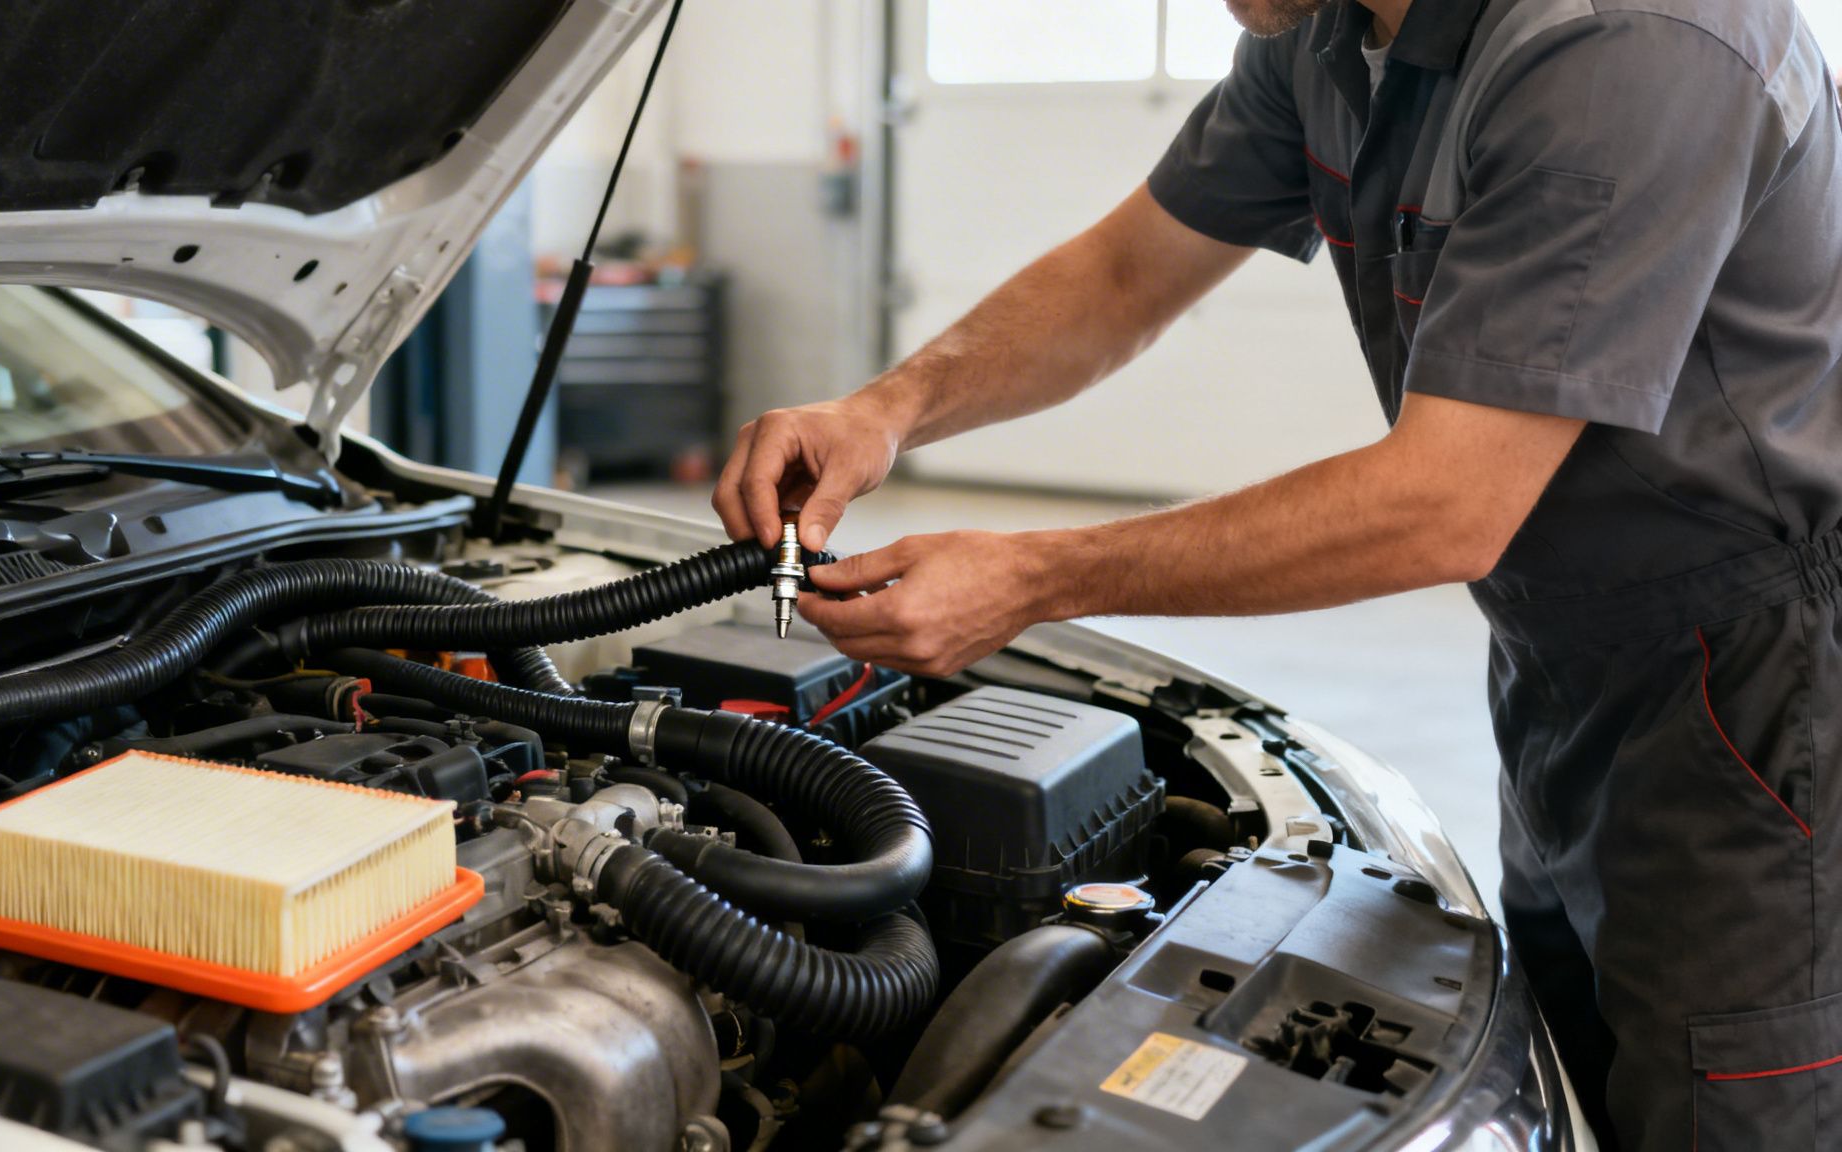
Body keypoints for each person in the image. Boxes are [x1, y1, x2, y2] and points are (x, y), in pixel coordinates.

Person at [712, 0, 1842, 1146]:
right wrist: (880, 412)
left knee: (1736, 1101)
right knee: (1594, 1072)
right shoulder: (1324, 32)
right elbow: (1121, 275)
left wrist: (1032, 576)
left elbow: (1446, 503)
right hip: (1559, 660)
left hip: (1756, 688)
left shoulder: (1630, 41)